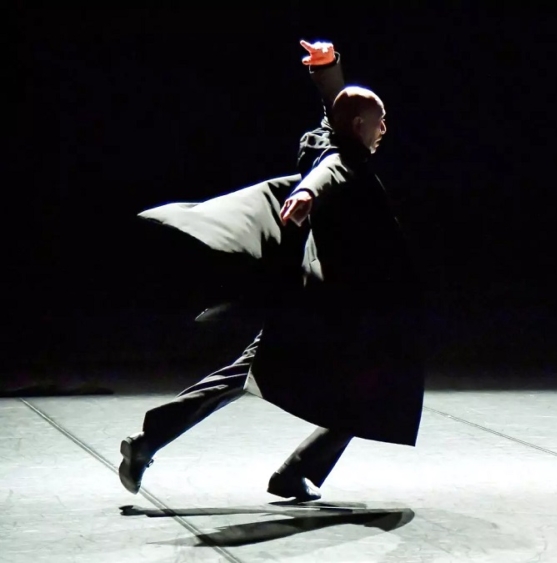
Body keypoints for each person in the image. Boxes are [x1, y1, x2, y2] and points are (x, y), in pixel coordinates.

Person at [120, 41, 423, 502]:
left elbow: (336, 112)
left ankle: (149, 442)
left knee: (252, 375)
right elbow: (330, 171)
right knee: (372, 381)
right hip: (331, 309)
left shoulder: (333, 137)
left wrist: (327, 68)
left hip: (316, 299)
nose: (385, 128)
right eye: (378, 120)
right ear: (361, 126)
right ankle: (293, 470)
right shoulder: (344, 160)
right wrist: (306, 193)